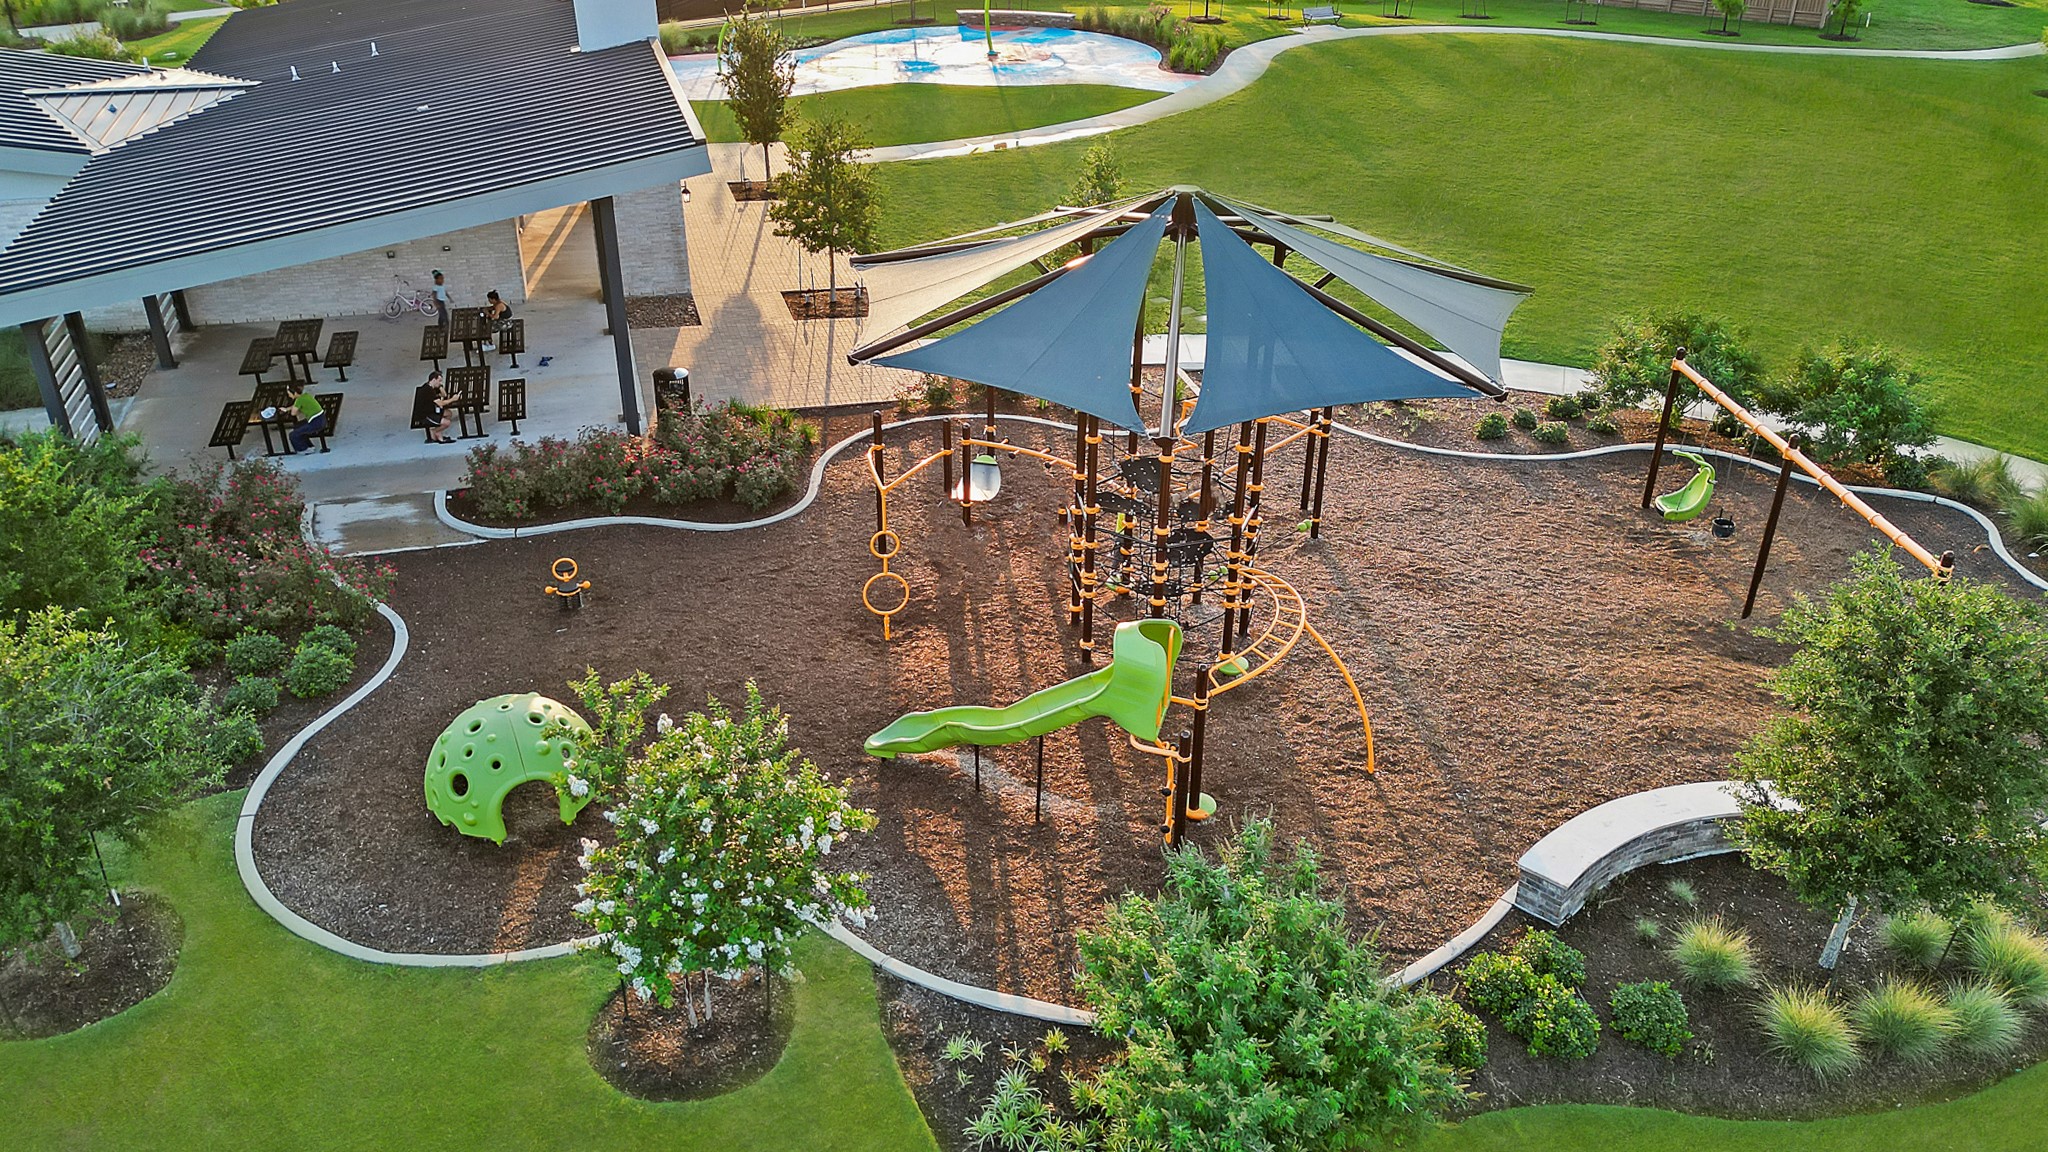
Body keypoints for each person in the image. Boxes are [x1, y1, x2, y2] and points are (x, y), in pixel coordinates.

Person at [412, 369, 460, 443]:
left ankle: (436, 432)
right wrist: (453, 399)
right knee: (447, 423)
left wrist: (440, 386)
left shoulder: (433, 387)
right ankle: (436, 432)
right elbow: (441, 403)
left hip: (432, 410)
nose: (440, 383)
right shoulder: (428, 390)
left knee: (448, 413)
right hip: (426, 415)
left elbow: (444, 395)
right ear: (434, 380)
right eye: (439, 381)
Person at [285, 382, 329, 453]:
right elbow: (296, 407)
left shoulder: (299, 400)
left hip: (316, 422)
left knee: (293, 435)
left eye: (289, 394)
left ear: (295, 393)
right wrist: (287, 409)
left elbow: (293, 413)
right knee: (298, 426)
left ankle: (303, 449)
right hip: (320, 419)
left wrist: (293, 408)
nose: (289, 396)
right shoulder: (305, 396)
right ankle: (309, 446)